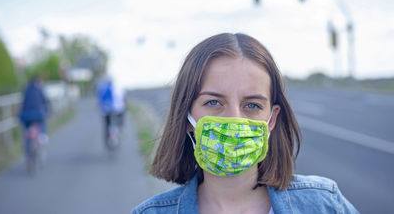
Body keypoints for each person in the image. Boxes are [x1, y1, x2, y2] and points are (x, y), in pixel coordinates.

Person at [132, 33, 359, 214]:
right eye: (213, 102)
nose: (234, 119)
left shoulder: (324, 205)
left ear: (272, 119)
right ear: (186, 117)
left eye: (252, 105)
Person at [19, 75, 50, 157]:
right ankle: (42, 140)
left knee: (27, 132)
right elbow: (45, 101)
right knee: (42, 128)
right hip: (38, 115)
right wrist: (48, 111)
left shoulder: (26, 90)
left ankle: (28, 151)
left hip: (27, 116)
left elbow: (23, 104)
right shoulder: (40, 89)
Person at [96, 77, 125, 142]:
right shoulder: (114, 88)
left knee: (107, 124)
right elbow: (120, 98)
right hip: (116, 109)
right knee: (119, 121)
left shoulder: (103, 89)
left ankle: (109, 135)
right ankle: (118, 131)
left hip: (106, 110)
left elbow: (100, 100)